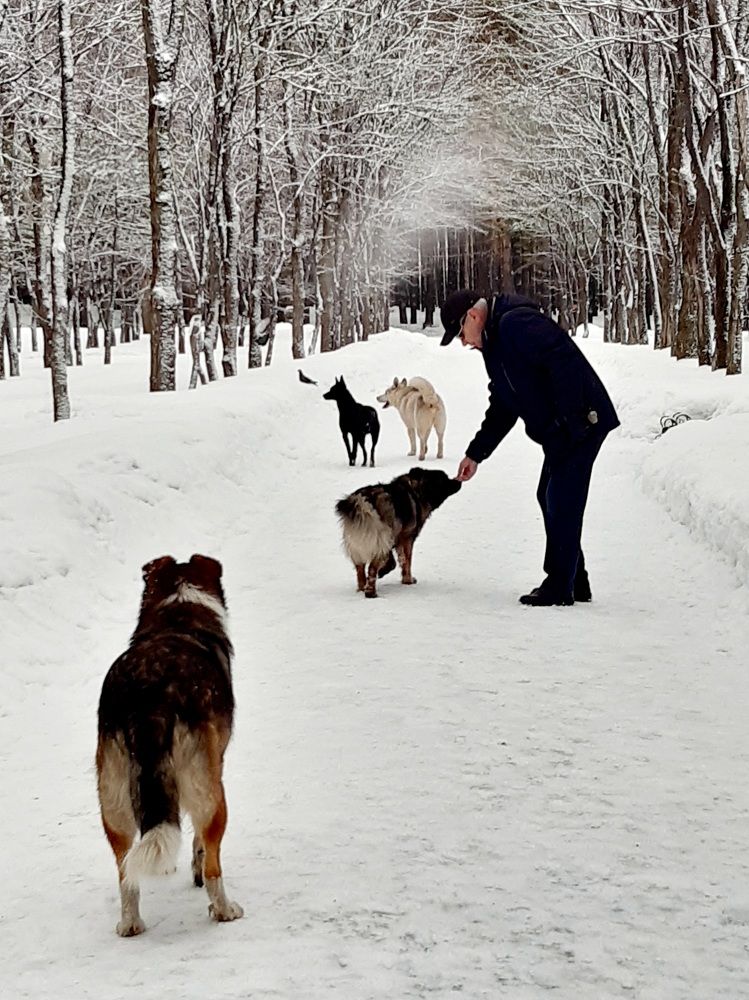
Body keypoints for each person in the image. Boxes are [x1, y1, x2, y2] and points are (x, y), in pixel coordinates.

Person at [440, 289, 619, 606]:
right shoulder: (494, 343)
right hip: (563, 430)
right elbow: (504, 405)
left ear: (473, 316)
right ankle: (574, 579)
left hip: (582, 422)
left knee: (560, 498)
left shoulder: (516, 323)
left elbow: (563, 364)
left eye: (460, 334)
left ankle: (560, 586)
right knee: (549, 495)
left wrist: (569, 422)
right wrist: (476, 453)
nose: (464, 342)